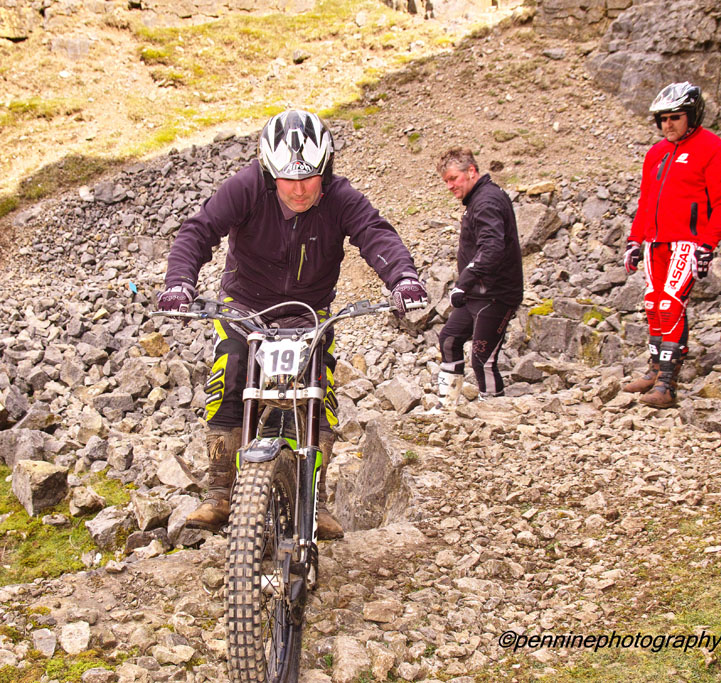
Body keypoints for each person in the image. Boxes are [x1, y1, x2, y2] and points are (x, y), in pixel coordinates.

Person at [156, 109, 428, 539]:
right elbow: (199, 230)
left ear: (326, 168)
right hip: (245, 307)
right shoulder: (245, 187)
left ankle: (315, 500)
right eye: (287, 179)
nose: (299, 190)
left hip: (310, 312)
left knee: (322, 391)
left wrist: (403, 278)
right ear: (269, 171)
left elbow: (375, 233)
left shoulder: (341, 197)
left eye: (310, 177)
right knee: (230, 368)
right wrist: (178, 283)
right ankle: (219, 491)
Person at [623, 82, 721, 408]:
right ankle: (655, 369)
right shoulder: (656, 153)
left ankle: (667, 384)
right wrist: (634, 240)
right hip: (655, 242)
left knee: (671, 305)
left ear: (692, 115)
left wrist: (707, 245)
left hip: (688, 241)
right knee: (652, 304)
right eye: (662, 119)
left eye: (674, 117)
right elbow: (646, 202)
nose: (667, 125)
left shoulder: (714, 148)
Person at [435, 148, 523, 403]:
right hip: (477, 293)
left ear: (471, 171)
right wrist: (466, 286)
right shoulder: (478, 200)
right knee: (449, 339)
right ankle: (448, 406)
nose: (450, 186)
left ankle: (495, 411)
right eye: (446, 181)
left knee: (483, 359)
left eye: (453, 178)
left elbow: (492, 247)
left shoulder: (486, 201)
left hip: (496, 295)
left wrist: (463, 282)